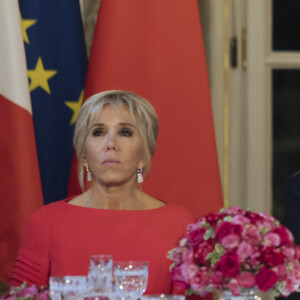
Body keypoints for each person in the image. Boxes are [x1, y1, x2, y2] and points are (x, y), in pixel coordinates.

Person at [10, 90, 194, 294]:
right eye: (98, 132)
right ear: (84, 154)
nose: (110, 144)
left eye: (125, 132)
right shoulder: (45, 222)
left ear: (144, 154)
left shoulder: (179, 223)